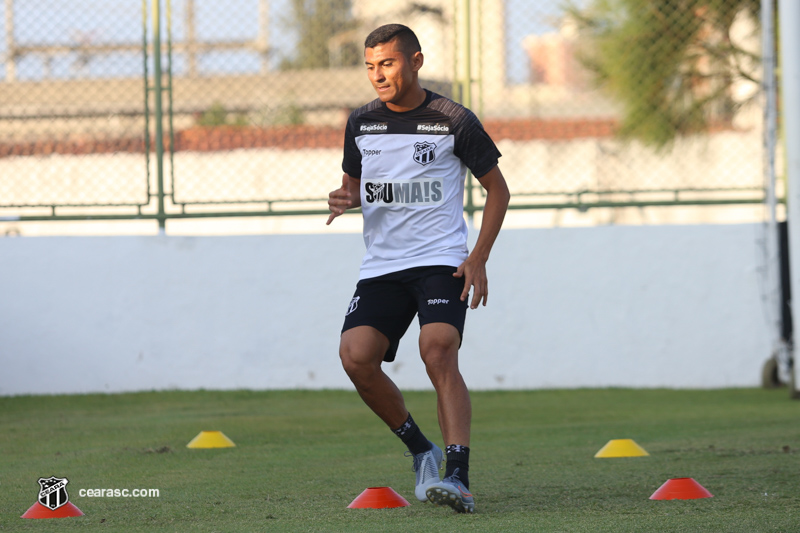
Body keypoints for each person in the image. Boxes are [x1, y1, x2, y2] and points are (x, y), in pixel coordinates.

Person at [326, 23, 509, 514]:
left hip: (441, 258)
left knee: (438, 349)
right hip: (384, 264)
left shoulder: (454, 119)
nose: (378, 75)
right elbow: (355, 184)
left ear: (415, 61)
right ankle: (420, 449)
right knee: (355, 357)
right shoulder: (361, 122)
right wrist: (345, 197)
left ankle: (459, 476)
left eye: (387, 63)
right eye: (370, 66)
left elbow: (499, 190)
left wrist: (478, 257)